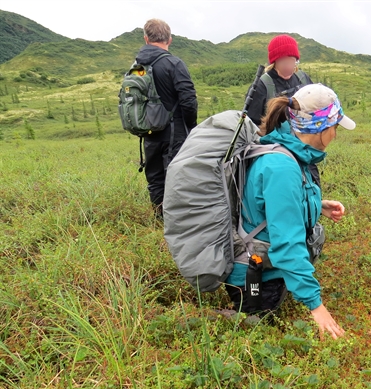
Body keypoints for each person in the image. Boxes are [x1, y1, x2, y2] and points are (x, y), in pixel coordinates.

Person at [226, 84, 355, 340]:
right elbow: (287, 245)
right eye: (335, 127)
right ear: (320, 128)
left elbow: (273, 206)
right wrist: (316, 307)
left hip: (267, 266)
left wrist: (320, 206)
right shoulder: (281, 166)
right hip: (255, 278)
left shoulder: (288, 146)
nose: (336, 134)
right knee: (261, 330)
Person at [136, 19, 198, 219]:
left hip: (149, 130)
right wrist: (192, 128)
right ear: (169, 39)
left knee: (154, 176)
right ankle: (177, 222)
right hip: (175, 130)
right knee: (176, 177)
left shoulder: (137, 65)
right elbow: (188, 100)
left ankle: (159, 218)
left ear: (146, 38)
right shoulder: (174, 63)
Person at [246, 34, 321, 186]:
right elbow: (251, 124)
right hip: (276, 150)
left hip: (304, 145)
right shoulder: (263, 85)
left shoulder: (303, 78)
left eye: (292, 61)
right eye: (284, 61)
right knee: (287, 187)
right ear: (274, 61)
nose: (289, 66)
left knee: (312, 183)